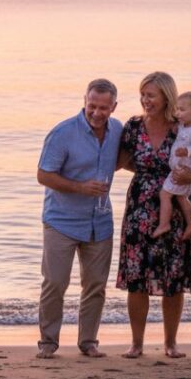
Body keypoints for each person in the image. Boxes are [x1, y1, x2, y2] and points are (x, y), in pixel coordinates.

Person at [116, 72, 191, 359]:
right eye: (143, 94)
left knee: (174, 276)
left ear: (167, 95)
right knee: (136, 276)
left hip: (177, 203)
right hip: (140, 206)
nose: (145, 100)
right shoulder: (132, 126)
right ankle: (137, 343)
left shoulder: (183, 127)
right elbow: (119, 161)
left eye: (151, 95)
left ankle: (171, 343)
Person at [36, 79, 122, 359]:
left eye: (103, 108)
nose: (97, 113)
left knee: (95, 285)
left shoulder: (118, 131)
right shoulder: (63, 133)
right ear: (84, 101)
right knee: (55, 283)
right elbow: (44, 175)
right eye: (92, 106)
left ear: (114, 107)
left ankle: (88, 342)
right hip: (61, 221)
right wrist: (80, 187)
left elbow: (125, 159)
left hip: (101, 221)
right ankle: (48, 343)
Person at [152, 91, 191, 240]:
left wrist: (188, 151)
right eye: (176, 109)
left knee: (165, 194)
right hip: (180, 167)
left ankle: (164, 224)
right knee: (182, 197)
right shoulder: (185, 125)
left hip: (185, 170)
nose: (177, 113)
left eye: (182, 110)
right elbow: (181, 131)